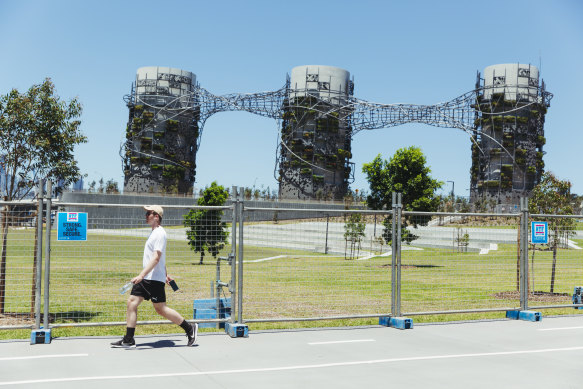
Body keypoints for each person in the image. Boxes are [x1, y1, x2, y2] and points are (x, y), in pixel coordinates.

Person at [111, 205, 198, 348]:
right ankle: (128, 339)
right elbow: (159, 259)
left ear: (156, 216)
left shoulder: (159, 233)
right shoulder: (154, 233)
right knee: (142, 304)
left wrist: (141, 275)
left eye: (148, 213)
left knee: (157, 308)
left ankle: (190, 329)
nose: (146, 216)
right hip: (151, 277)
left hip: (149, 278)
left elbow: (157, 257)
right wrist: (165, 274)